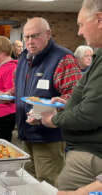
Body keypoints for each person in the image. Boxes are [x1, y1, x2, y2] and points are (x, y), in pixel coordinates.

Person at [40, 0, 102, 191]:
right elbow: (83, 94)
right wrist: (67, 103)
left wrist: (54, 119)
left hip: (89, 153)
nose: (79, 32)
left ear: (99, 20)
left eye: (81, 24)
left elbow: (89, 113)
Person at [14, 17, 82, 186]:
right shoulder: (24, 57)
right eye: (26, 37)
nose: (30, 41)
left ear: (48, 34)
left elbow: (75, 98)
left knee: (49, 183)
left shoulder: (63, 58)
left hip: (49, 136)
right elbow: (22, 89)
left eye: (34, 36)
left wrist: (49, 112)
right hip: (25, 132)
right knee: (28, 181)